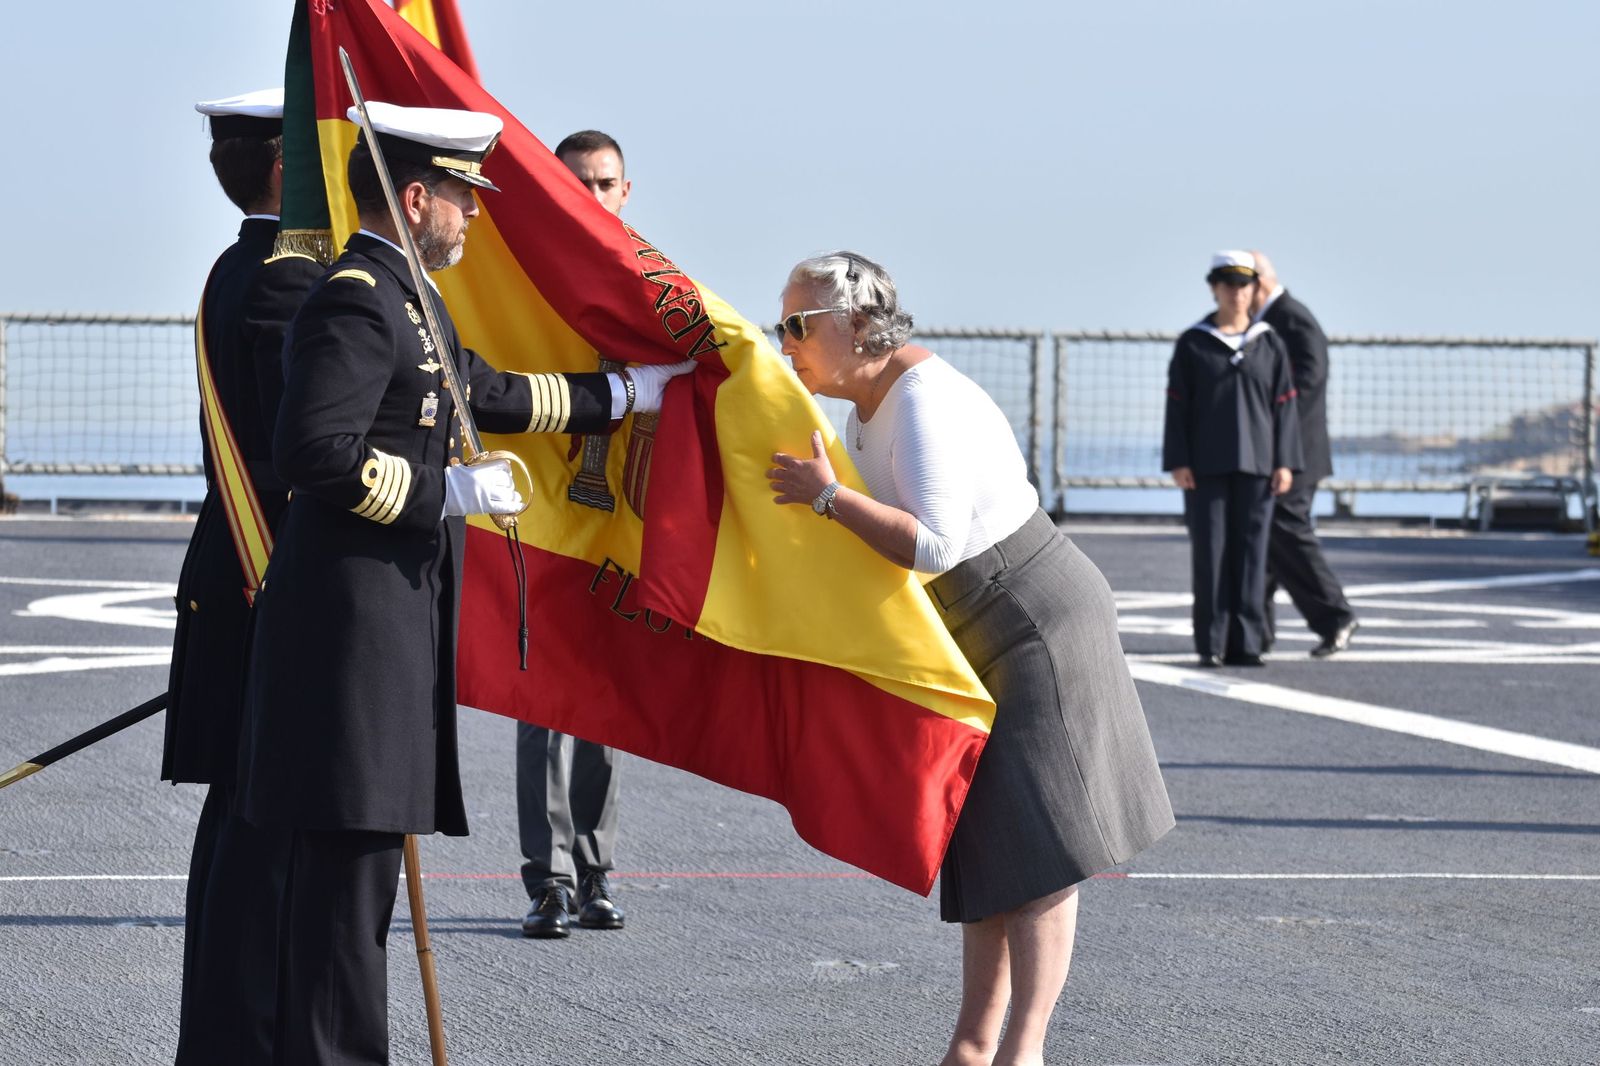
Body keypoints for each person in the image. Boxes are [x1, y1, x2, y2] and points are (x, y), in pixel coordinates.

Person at [233, 102, 693, 1065]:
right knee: (339, 901)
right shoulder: (359, 297)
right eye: (462, 198)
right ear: (414, 198)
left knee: (357, 899)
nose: (475, 217)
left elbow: (482, 388)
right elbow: (312, 452)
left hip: (383, 633)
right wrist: (442, 491)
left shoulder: (403, 292)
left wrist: (622, 396)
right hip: (349, 642)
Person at [766, 251, 1173, 1066]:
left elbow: (935, 543)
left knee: (1043, 846)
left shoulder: (919, 400)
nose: (786, 342)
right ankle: (973, 1044)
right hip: (984, 623)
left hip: (1032, 618)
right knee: (987, 844)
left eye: (798, 325)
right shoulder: (867, 403)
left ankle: (1021, 1049)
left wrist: (827, 497)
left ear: (853, 326)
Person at [165, 88, 324, 1066]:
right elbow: (303, 453)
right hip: (272, 584)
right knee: (266, 849)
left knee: (244, 832)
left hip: (239, 574)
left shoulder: (241, 266)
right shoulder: (283, 282)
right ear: (285, 167)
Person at [516, 129, 631, 939]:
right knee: (541, 710)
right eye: (576, 184)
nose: (591, 197)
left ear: (626, 191)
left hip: (620, 526)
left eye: (604, 183)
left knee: (604, 712)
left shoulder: (650, 288)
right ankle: (547, 881)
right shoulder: (525, 284)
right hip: (544, 521)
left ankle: (595, 874)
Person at [1162, 251, 1303, 667]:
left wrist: (1284, 462)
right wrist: (1179, 460)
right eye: (1227, 283)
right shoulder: (1194, 342)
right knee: (1211, 555)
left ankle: (1248, 643)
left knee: (1252, 555)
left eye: (1243, 284)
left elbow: (1285, 405)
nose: (1236, 292)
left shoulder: (1269, 342)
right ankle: (1212, 642)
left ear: (1254, 289)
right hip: (1205, 468)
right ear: (1214, 288)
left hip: (1258, 466)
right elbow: (1177, 405)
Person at [1250, 251, 1359, 657]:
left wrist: (1264, 406)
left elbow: (1309, 378)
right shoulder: (1279, 317)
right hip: (1284, 452)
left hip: (1296, 454)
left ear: (1258, 284)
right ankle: (1254, 631)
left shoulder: (1291, 317)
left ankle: (1335, 615)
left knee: (1286, 532)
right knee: (1265, 537)